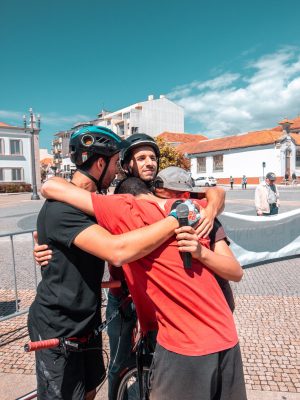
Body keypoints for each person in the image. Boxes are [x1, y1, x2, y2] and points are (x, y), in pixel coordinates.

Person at [34, 134, 226, 399]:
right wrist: (175, 220)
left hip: (126, 304)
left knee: (99, 384)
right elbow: (115, 249)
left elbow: (212, 192)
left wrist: (213, 204)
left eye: (153, 157)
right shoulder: (119, 195)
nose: (149, 163)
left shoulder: (161, 189)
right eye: (140, 158)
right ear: (117, 164)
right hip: (108, 303)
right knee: (120, 364)